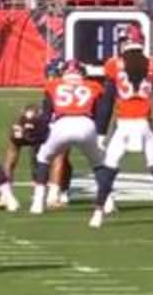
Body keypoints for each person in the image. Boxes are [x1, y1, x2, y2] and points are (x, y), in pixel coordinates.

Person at [94, 28, 153, 229]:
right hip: (144, 125)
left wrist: (101, 131)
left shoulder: (114, 65)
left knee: (109, 169)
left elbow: (107, 101)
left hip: (123, 125)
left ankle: (98, 212)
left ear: (125, 43)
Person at [30, 60, 111, 215]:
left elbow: (47, 114)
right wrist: (100, 134)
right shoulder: (94, 86)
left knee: (43, 158)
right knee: (99, 164)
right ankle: (106, 202)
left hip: (62, 123)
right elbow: (99, 114)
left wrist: (41, 134)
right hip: (86, 123)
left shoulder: (54, 85)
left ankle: (38, 202)